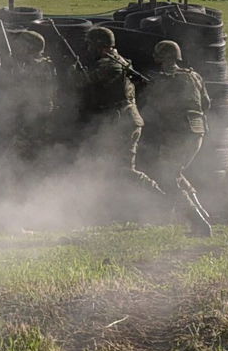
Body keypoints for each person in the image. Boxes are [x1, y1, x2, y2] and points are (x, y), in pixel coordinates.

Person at [81, 27, 167, 197]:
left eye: (91, 45)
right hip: (123, 121)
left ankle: (163, 197)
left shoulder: (111, 65)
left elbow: (83, 81)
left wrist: (73, 71)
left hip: (122, 123)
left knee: (124, 170)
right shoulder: (122, 61)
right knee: (105, 165)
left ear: (99, 46)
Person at [141, 40, 212, 237]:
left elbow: (153, 108)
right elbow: (206, 104)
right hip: (198, 130)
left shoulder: (162, 80)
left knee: (167, 176)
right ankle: (201, 211)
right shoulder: (194, 76)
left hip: (177, 132)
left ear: (159, 57)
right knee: (175, 172)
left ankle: (198, 222)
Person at [6, 30, 57, 159]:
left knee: (24, 152)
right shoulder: (35, 63)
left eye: (22, 45)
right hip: (31, 112)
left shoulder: (39, 65)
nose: (19, 48)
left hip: (35, 114)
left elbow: (22, 84)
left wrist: (3, 68)